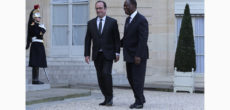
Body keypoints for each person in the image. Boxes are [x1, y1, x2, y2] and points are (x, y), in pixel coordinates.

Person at [84, 0, 120, 106]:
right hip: (97, 55)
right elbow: (87, 40)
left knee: (106, 73)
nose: (98, 10)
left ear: (105, 9)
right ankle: (106, 97)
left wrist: (117, 52)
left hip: (108, 54)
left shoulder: (112, 22)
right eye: (97, 8)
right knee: (100, 77)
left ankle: (110, 97)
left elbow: (116, 39)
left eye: (100, 8)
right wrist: (86, 54)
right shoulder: (90, 23)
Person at [121, 0, 149, 109]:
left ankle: (139, 102)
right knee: (131, 78)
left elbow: (143, 39)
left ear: (133, 6)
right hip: (129, 55)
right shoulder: (128, 19)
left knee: (138, 79)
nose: (124, 8)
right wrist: (115, 45)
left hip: (138, 56)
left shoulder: (141, 20)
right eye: (124, 6)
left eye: (126, 6)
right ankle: (140, 98)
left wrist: (138, 55)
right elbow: (126, 38)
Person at [26, 4, 47, 84]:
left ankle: (36, 79)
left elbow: (41, 32)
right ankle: (34, 80)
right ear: (34, 17)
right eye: (38, 17)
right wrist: (42, 29)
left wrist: (41, 29)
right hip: (36, 45)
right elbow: (38, 33)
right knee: (35, 63)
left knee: (38, 62)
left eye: (39, 17)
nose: (39, 18)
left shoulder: (38, 25)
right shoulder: (32, 24)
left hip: (40, 45)